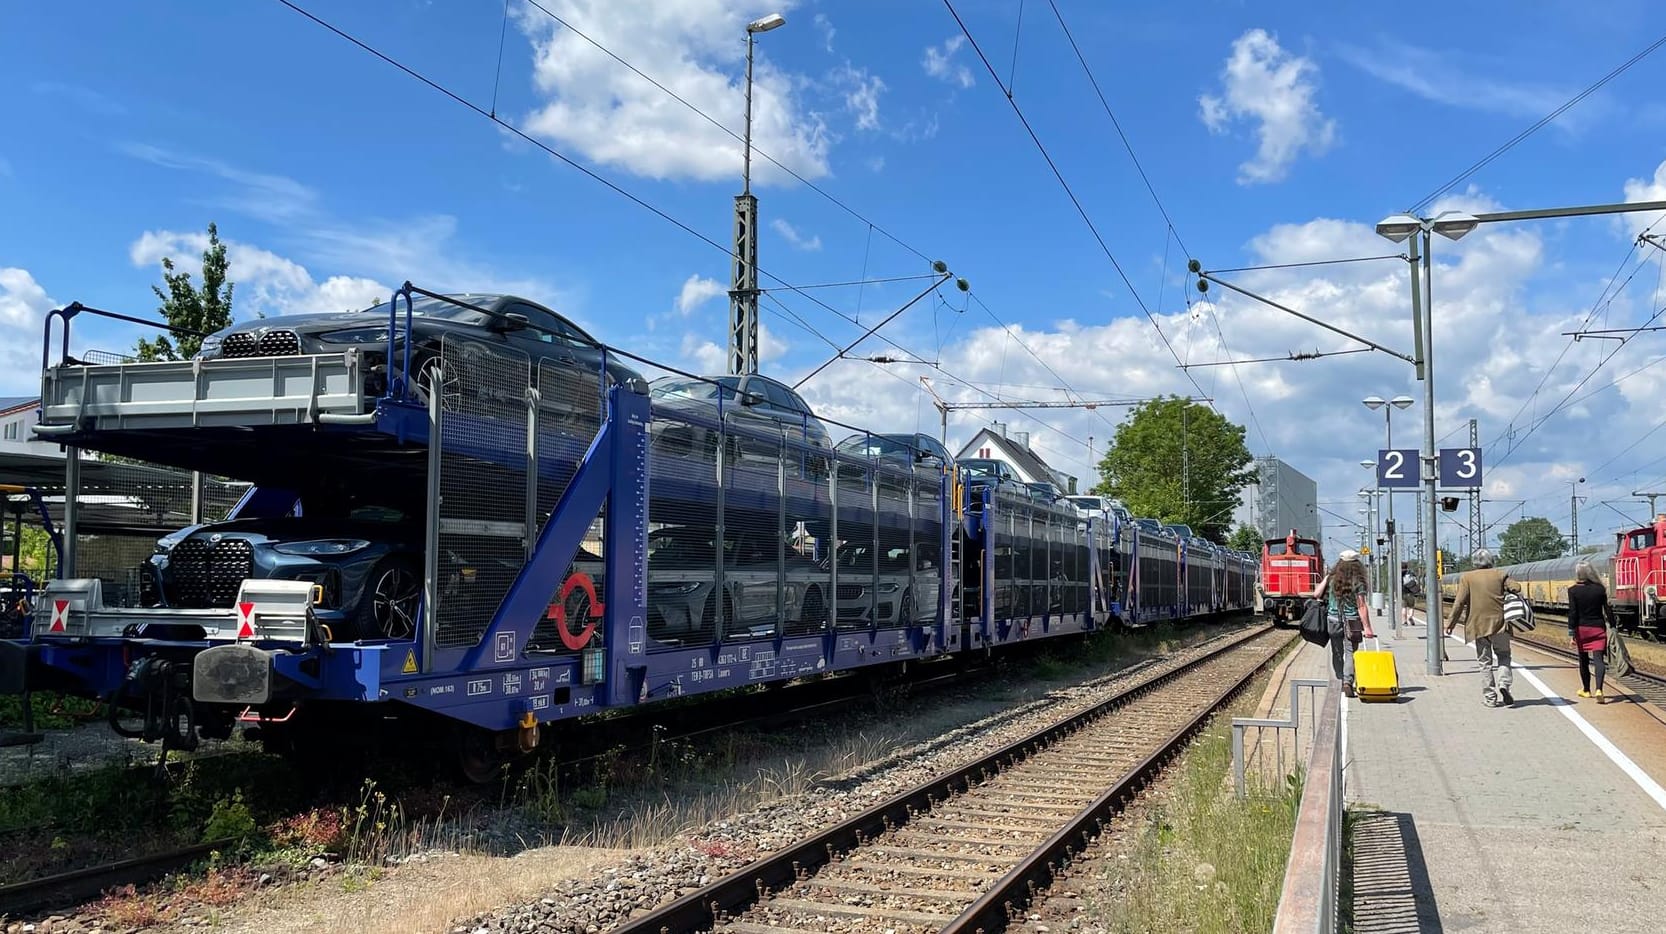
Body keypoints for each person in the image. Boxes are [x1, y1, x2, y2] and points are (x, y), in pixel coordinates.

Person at [1446, 549, 1521, 708]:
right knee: (1504, 655)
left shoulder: (1467, 577)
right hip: (1500, 624)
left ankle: (1490, 698)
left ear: (1474, 562)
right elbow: (1517, 587)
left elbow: (1459, 603)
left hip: (1478, 626)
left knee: (1484, 662)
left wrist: (1450, 624)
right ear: (1491, 561)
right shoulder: (1499, 574)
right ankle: (1504, 683)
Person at [1312, 550, 1375, 697]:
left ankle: (1340, 680)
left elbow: (1316, 594)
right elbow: (1361, 606)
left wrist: (1327, 577)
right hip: (1352, 622)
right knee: (1350, 652)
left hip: (1333, 620)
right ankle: (1348, 682)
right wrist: (1367, 627)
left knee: (1337, 652)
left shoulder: (1332, 578)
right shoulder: (1358, 581)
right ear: (1356, 565)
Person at [1566, 560, 1615, 703]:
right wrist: (1613, 626)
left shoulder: (1573, 590)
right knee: (1599, 660)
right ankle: (1599, 689)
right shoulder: (1600, 589)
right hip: (1598, 628)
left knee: (1583, 660)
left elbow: (1573, 613)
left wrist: (1571, 633)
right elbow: (1607, 609)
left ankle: (1586, 690)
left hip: (1582, 630)